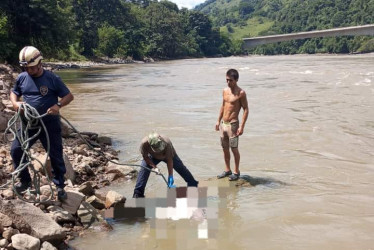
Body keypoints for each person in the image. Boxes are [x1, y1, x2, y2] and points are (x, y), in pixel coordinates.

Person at [10, 46, 74, 201]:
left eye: (31, 67)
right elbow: (14, 92)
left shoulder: (52, 78)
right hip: (28, 124)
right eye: (25, 67)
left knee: (55, 154)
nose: (29, 70)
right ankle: (25, 180)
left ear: (39, 63)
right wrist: (16, 104)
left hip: (49, 124)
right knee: (16, 150)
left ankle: (60, 186)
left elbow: (69, 96)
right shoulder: (22, 77)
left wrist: (57, 106)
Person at [133, 132, 198, 198]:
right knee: (144, 169)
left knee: (181, 168)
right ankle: (138, 194)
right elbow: (145, 157)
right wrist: (155, 167)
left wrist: (170, 176)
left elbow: (169, 160)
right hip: (152, 157)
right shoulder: (144, 144)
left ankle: (193, 185)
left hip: (168, 155)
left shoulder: (167, 143)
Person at [215, 69, 248, 181]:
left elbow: (246, 109)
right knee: (224, 148)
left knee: (234, 149)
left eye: (230, 80)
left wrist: (242, 126)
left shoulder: (241, 93)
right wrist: (217, 121)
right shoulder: (225, 91)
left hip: (233, 125)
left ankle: (236, 171)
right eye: (227, 80)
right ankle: (227, 170)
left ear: (236, 80)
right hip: (223, 124)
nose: (228, 82)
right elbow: (223, 106)